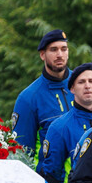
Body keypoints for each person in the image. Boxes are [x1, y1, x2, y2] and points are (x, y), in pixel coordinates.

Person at [13, 29, 72, 164]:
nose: (60, 55)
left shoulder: (88, 87)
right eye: (53, 50)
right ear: (42, 55)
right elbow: (22, 153)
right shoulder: (28, 98)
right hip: (50, 175)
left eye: (64, 49)